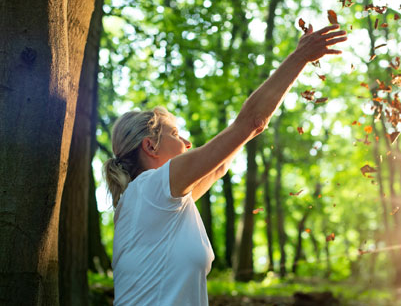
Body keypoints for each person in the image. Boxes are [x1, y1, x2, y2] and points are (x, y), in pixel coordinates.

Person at [104, 23, 347, 305]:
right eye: (175, 134)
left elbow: (221, 164)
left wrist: (248, 131)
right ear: (150, 146)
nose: (187, 142)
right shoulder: (152, 188)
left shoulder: (157, 202)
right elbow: (250, 121)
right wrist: (299, 57)